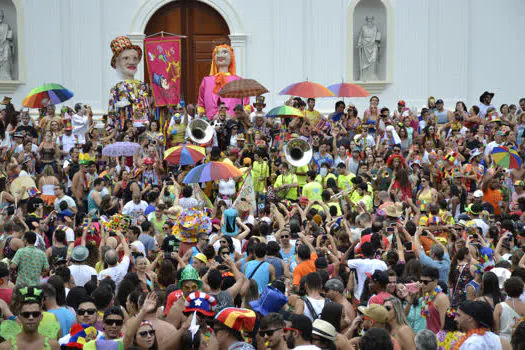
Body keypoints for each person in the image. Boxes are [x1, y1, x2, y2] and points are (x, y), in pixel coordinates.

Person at [420, 266, 450, 334]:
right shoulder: (427, 296)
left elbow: (445, 325)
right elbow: (424, 316)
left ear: (435, 281)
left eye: (425, 282)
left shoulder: (441, 298)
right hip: (429, 339)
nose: (422, 284)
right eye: (421, 281)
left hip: (438, 340)